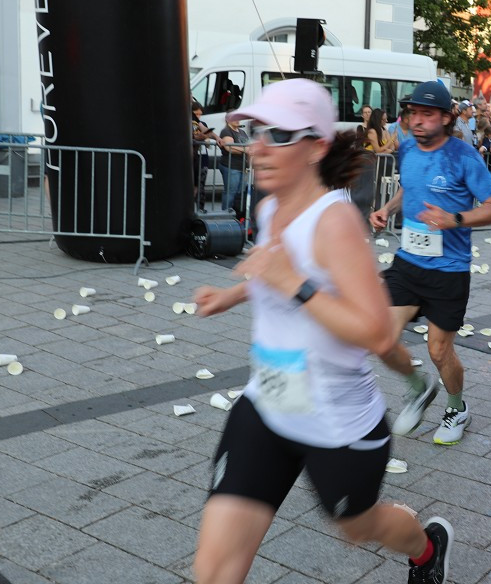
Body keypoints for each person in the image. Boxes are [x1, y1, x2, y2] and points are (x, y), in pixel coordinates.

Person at [191, 79, 455, 584]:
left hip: (337, 424)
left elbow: (377, 334)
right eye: (255, 132)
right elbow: (271, 266)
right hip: (266, 406)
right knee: (213, 572)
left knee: (357, 527)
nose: (259, 147)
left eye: (279, 135)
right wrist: (232, 293)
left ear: (315, 147)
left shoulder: (336, 222)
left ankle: (427, 549)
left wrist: (294, 284)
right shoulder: (269, 207)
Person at [369, 80, 491, 446]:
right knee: (381, 336)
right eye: (413, 113)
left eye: (427, 114)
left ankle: (457, 407)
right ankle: (418, 388)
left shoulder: (464, 157)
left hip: (449, 270)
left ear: (446, 118)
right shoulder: (408, 149)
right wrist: (386, 208)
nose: (417, 121)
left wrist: (454, 219)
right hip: (408, 263)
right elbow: (409, 188)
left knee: (438, 350)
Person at [218, 116, 250, 214]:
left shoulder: (242, 132)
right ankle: (226, 214)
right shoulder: (226, 131)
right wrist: (245, 150)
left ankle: (238, 214)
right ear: (227, 120)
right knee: (231, 192)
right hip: (231, 166)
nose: (237, 120)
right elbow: (229, 148)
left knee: (240, 192)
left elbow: (248, 146)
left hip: (243, 166)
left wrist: (245, 150)